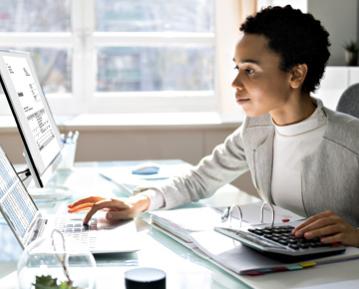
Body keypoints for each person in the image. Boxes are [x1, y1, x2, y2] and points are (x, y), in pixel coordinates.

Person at [68, 5, 359, 247]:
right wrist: (139, 202)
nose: (235, 83)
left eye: (250, 71)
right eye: (237, 68)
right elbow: (198, 181)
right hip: (289, 268)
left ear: (295, 74)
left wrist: (356, 236)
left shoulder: (352, 141)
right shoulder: (256, 130)